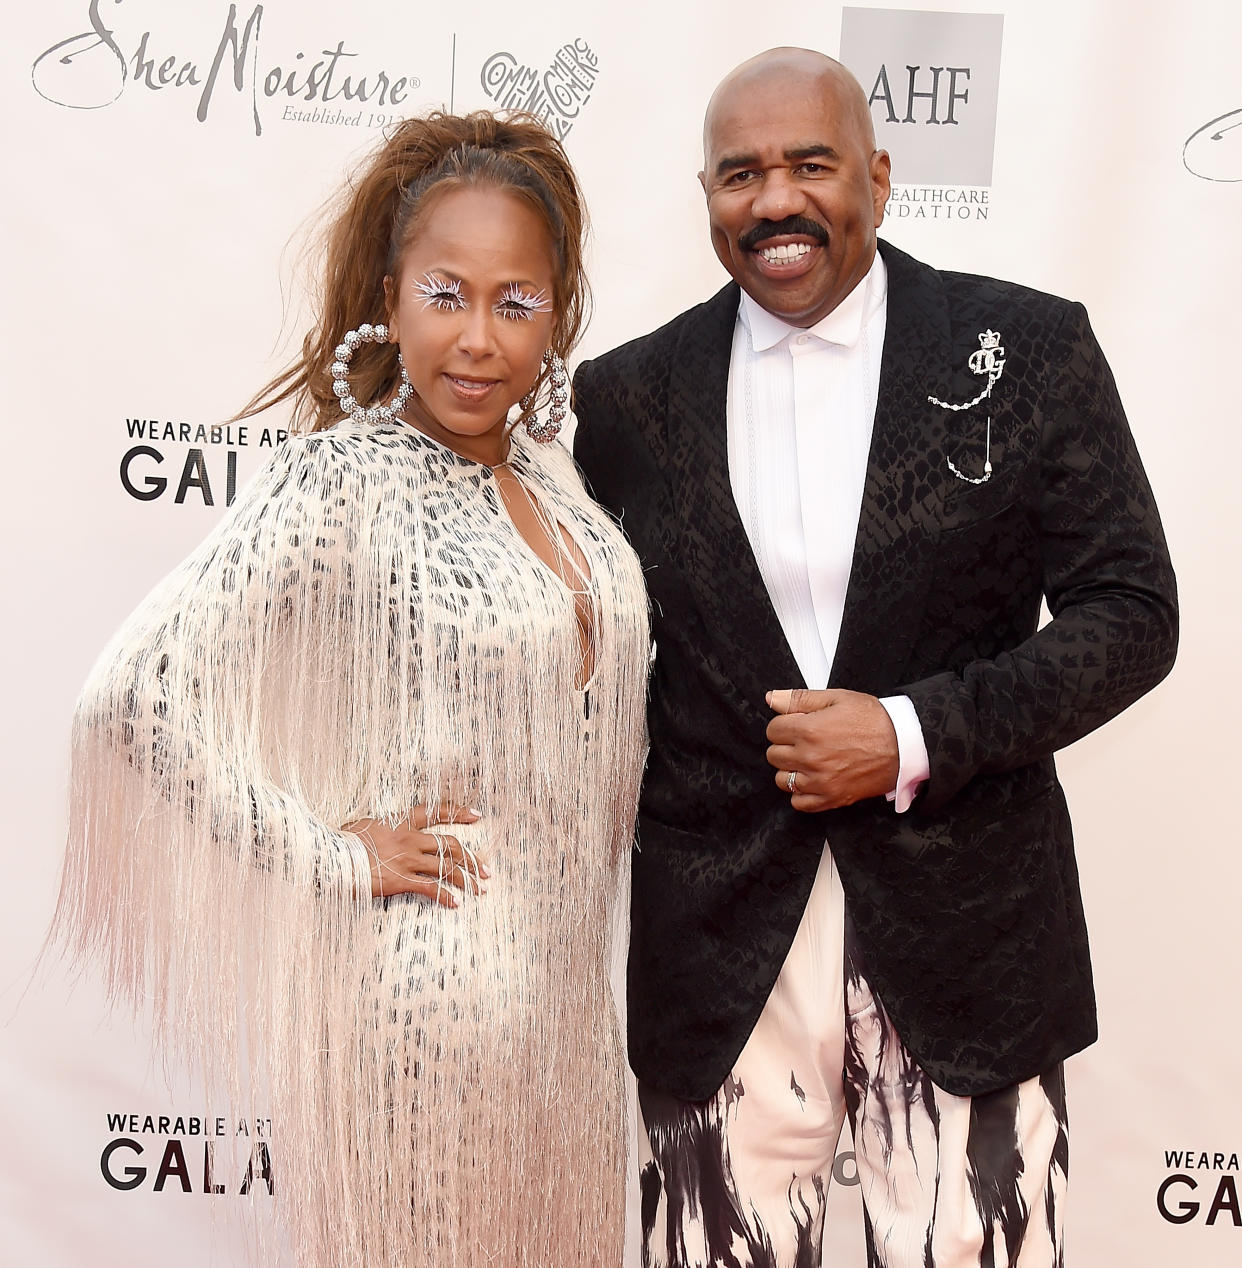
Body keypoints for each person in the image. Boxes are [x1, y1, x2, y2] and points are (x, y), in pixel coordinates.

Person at [573, 48, 1177, 1268]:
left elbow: (1132, 611)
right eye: (741, 173)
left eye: (811, 163)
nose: (775, 200)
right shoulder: (628, 400)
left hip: (973, 935)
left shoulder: (1029, 350)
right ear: (705, 194)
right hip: (719, 946)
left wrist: (909, 731)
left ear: (881, 178)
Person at [53, 111, 649, 1268]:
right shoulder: (342, 478)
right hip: (420, 1015)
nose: (477, 339)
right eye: (446, 294)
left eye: (514, 301)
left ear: (558, 314)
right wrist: (331, 852)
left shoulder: (559, 480)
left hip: (571, 1028)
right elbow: (132, 697)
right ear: (392, 291)